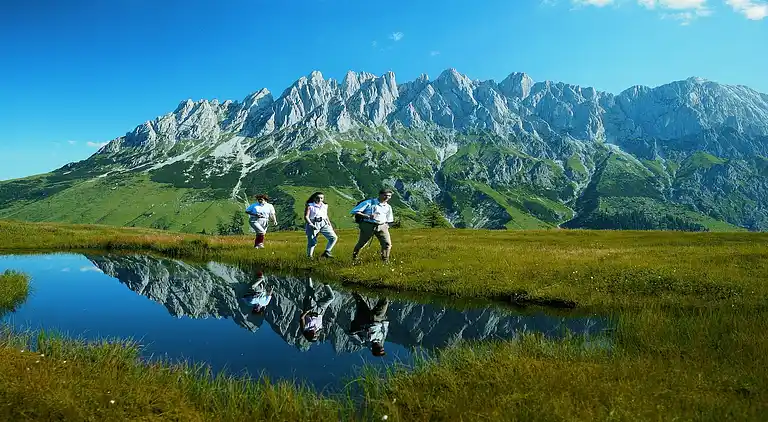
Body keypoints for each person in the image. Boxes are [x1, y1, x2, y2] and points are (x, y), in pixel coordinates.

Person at [350, 188, 395, 263]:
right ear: (380, 195)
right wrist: (367, 216)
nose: (387, 197)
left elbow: (389, 219)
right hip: (368, 225)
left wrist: (386, 226)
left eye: (389, 196)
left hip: (382, 226)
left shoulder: (388, 207)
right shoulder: (369, 203)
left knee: (387, 244)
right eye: (385, 195)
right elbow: (354, 211)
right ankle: (355, 259)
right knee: (362, 243)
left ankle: (385, 261)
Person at [348, 292, 390, 357]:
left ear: (374, 349)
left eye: (380, 349)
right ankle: (380, 288)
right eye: (383, 349)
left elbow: (351, 333)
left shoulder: (362, 343)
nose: (382, 347)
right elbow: (384, 330)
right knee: (384, 302)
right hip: (377, 319)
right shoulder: (381, 340)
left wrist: (361, 329)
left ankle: (351, 285)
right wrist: (384, 321)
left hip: (364, 320)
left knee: (359, 299)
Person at [298, 277, 336, 343]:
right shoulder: (317, 329)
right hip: (321, 310)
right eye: (316, 336)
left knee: (310, 291)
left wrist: (307, 311)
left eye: (314, 336)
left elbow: (302, 317)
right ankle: (325, 283)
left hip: (311, 309)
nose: (316, 335)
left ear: (309, 336)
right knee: (331, 297)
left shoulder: (305, 329)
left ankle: (308, 274)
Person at [304, 191, 338, 259]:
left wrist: (329, 224)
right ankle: (309, 257)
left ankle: (327, 252)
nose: (320, 200)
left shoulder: (325, 205)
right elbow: (306, 216)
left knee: (333, 238)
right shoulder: (310, 205)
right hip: (313, 222)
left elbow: (325, 215)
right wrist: (310, 224)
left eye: (321, 198)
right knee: (312, 241)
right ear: (314, 198)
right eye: (318, 198)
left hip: (323, 222)